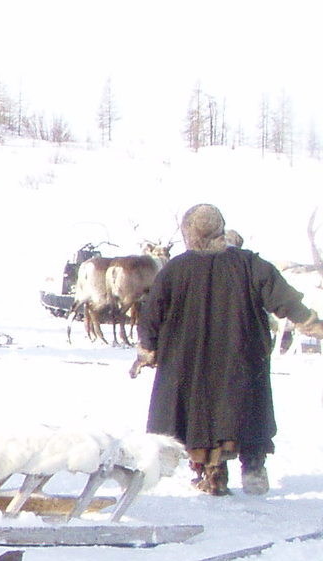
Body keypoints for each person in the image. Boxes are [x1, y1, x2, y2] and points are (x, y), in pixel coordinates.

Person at [135, 203, 323, 495]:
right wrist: (310, 322)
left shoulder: (175, 269)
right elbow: (284, 298)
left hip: (192, 363)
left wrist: (148, 347)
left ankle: (213, 474)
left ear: (190, 233)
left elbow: (151, 314)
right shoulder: (249, 264)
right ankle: (254, 468)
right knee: (248, 409)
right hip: (242, 357)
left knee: (201, 418)